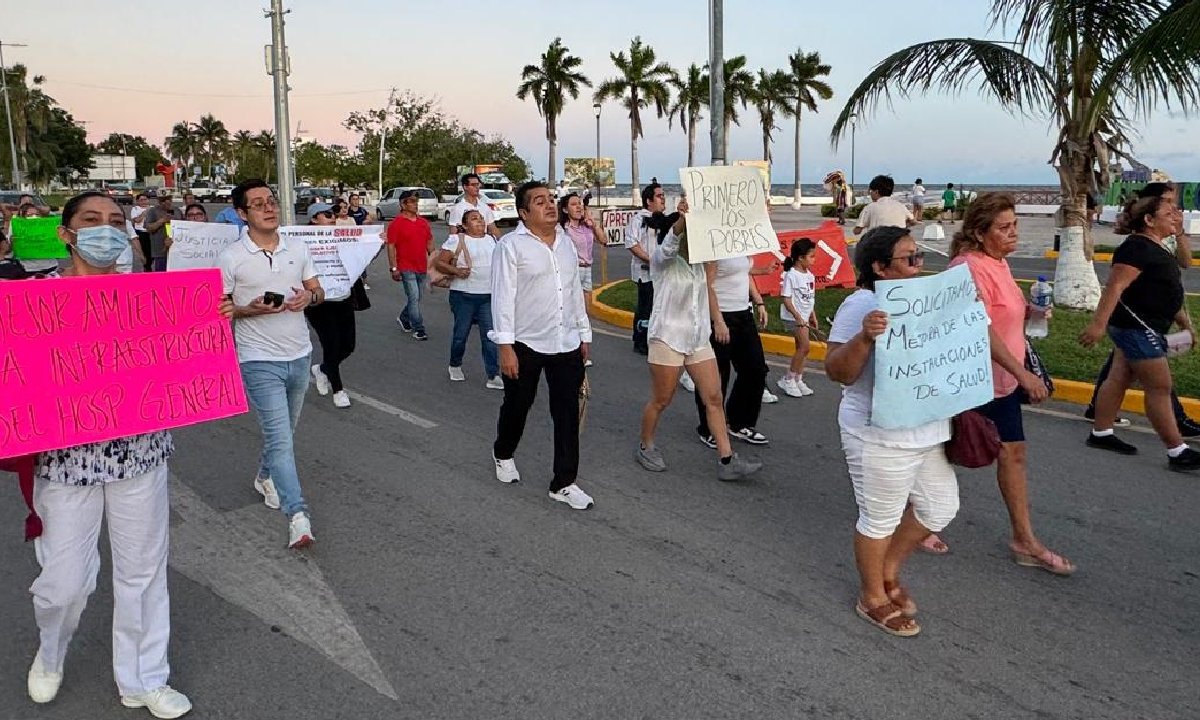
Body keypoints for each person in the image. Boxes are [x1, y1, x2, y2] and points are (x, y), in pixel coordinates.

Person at [23, 191, 228, 717]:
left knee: (143, 572)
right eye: (91, 221)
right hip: (66, 465)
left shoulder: (155, 297)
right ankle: (51, 652)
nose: (106, 230)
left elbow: (183, 361)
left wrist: (210, 322)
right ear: (66, 233)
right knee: (63, 584)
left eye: (116, 221)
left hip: (141, 457)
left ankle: (144, 679)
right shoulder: (30, 299)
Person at [824, 225, 959, 638]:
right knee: (879, 519)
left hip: (925, 429)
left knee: (940, 508)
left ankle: (888, 570)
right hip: (878, 434)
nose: (919, 265)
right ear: (880, 268)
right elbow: (837, 371)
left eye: (919, 257)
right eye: (909, 258)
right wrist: (865, 336)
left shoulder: (923, 302)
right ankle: (872, 596)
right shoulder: (860, 305)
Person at [948, 192, 1074, 574]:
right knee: (943, 451)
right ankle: (913, 521)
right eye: (1004, 228)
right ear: (979, 232)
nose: (1013, 233)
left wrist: (1034, 311)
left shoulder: (997, 263)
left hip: (1000, 382)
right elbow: (979, 329)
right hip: (972, 380)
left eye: (1015, 225)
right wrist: (1024, 376)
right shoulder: (967, 267)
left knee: (1012, 453)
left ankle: (1024, 539)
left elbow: (1006, 314)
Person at [218, 179, 325, 549]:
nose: (269, 208)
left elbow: (318, 290)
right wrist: (251, 309)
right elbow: (221, 309)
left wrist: (307, 298)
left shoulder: (297, 247)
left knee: (285, 434)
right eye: (258, 203)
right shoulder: (232, 256)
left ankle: (265, 477)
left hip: (299, 355)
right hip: (258, 360)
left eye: (272, 201)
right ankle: (298, 516)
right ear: (242, 214)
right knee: (281, 440)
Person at [634, 206, 763, 480]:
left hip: (697, 338)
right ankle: (646, 444)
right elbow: (670, 243)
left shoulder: (702, 267)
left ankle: (727, 460)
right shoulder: (663, 261)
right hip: (667, 337)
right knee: (662, 399)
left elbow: (712, 287)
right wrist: (683, 220)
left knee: (714, 397)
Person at [489, 181, 594, 510]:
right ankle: (503, 452)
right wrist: (505, 346)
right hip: (525, 343)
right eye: (539, 201)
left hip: (565, 342)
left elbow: (573, 291)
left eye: (551, 199)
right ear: (523, 213)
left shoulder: (565, 243)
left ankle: (563, 482)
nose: (549, 205)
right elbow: (503, 298)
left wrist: (583, 334)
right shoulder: (511, 247)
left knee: (566, 412)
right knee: (518, 405)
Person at [1080, 194, 1200, 470]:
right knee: (1159, 387)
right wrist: (1098, 325)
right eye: (1168, 214)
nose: (1175, 217)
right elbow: (1115, 287)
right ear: (1148, 220)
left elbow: (1163, 291)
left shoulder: (1155, 246)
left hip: (1141, 325)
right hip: (1136, 328)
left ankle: (1101, 432)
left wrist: (1184, 324)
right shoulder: (1136, 249)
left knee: (1118, 378)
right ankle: (1177, 450)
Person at [693, 250, 771, 447]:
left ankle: (739, 422)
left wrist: (758, 301)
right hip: (720, 316)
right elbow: (707, 285)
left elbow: (744, 273)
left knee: (755, 370)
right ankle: (709, 428)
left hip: (743, 314)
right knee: (717, 375)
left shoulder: (740, 242)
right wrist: (718, 320)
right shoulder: (713, 247)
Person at [432, 209, 502, 389]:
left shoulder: (492, 240)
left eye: (481, 219)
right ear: (464, 225)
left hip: (488, 296)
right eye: (474, 219)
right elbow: (440, 262)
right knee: (460, 335)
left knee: (490, 337)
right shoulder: (457, 240)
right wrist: (456, 271)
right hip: (463, 296)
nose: (480, 222)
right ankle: (455, 365)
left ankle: (493, 374)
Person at [304, 208, 359, 409]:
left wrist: (377, 242)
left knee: (348, 345)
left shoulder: (340, 238)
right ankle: (338, 390)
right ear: (314, 219)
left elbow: (361, 256)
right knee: (331, 345)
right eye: (326, 215)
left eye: (333, 215)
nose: (332, 218)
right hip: (318, 302)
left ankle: (323, 369)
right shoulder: (302, 241)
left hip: (342, 298)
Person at [386, 189, 435, 341]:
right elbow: (391, 246)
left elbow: (429, 243)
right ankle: (419, 328)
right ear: (403, 204)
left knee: (417, 297)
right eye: (412, 202)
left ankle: (403, 317)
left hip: (421, 266)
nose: (415, 205)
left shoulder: (423, 223)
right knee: (413, 297)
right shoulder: (396, 224)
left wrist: (434, 262)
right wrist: (394, 268)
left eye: (416, 202)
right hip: (406, 267)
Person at [626, 183, 666, 355]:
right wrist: (650, 260)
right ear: (649, 201)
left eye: (663, 195)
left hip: (661, 273)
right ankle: (640, 340)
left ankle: (654, 338)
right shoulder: (639, 219)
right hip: (645, 272)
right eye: (659, 196)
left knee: (658, 306)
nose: (663, 199)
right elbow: (632, 243)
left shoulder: (663, 219)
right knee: (645, 307)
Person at [777, 239, 818, 398]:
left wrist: (812, 315)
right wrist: (798, 317)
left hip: (805, 317)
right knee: (805, 347)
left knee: (802, 348)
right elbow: (786, 299)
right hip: (794, 317)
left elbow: (810, 298)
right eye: (811, 256)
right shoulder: (791, 276)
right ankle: (788, 379)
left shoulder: (809, 276)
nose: (814, 259)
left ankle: (798, 378)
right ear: (800, 258)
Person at [559, 192, 606, 319]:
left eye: (579, 204)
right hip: (573, 270)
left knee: (586, 311)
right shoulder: (563, 229)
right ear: (565, 209)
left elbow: (603, 240)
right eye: (573, 205)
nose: (578, 207)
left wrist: (594, 225)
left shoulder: (586, 226)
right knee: (571, 308)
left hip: (587, 269)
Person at [141, 192, 177, 272]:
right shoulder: (152, 211)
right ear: (159, 201)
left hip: (177, 250)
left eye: (168, 199)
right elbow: (148, 228)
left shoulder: (177, 210)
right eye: (162, 200)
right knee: (162, 276)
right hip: (160, 251)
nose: (166, 202)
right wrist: (162, 221)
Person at [129, 193, 154, 271]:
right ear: (137, 201)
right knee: (145, 251)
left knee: (152, 251)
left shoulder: (152, 208)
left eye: (145, 199)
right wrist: (144, 214)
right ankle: (147, 267)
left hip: (151, 232)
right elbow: (136, 220)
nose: (143, 202)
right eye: (141, 200)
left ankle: (149, 263)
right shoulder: (135, 209)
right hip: (141, 232)